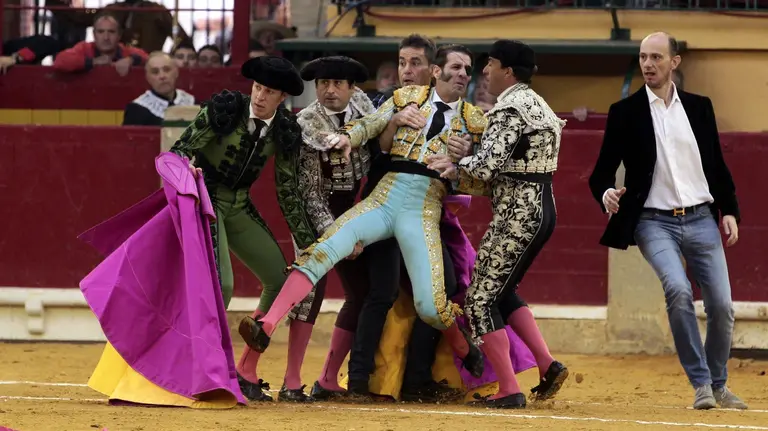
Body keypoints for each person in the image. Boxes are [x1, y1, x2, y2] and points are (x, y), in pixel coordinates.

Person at [238, 44, 489, 382]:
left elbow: (488, 176)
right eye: (456, 67)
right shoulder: (406, 97)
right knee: (323, 249)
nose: (462, 75)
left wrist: (464, 160)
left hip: (423, 206)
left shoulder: (476, 121)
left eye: (467, 70)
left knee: (430, 306)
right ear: (437, 71)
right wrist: (347, 138)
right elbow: (369, 124)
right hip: (385, 197)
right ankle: (266, 326)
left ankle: (464, 346)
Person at [587, 32, 746, 410]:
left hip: (702, 218)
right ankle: (702, 383)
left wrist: (731, 212)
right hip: (652, 222)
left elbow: (716, 167)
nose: (647, 64)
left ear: (674, 62)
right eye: (643, 57)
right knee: (677, 289)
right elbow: (600, 175)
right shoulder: (624, 113)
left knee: (722, 306)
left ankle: (718, 382)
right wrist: (607, 193)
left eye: (657, 57)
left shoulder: (699, 108)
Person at [428, 39, 568, 408]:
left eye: (489, 63)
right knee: (500, 291)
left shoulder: (509, 109)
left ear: (507, 70)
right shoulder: (536, 104)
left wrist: (455, 167)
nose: (484, 71)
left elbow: (488, 168)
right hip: (540, 208)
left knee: (479, 299)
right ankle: (547, 364)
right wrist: (468, 161)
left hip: (518, 215)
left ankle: (508, 389)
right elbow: (506, 165)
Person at [169, 55, 315, 403]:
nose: (260, 96)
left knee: (279, 280)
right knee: (223, 284)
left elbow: (288, 191)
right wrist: (188, 171)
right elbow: (179, 152)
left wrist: (309, 243)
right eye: (258, 88)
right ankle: (205, 369)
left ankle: (244, 370)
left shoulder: (285, 130)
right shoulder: (226, 109)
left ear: (283, 99)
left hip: (239, 206)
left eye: (269, 92)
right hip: (206, 202)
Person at [276, 56, 375, 402]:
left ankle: (329, 378)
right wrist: (340, 237)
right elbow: (310, 192)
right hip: (315, 212)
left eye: (337, 84)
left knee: (363, 292)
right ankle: (290, 381)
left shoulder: (363, 113)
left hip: (355, 208)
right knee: (308, 293)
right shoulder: (306, 122)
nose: (329, 91)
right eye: (322, 84)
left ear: (352, 88)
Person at [123, 52, 196, 126]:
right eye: (155, 72)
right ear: (148, 78)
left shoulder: (193, 102)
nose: (162, 76)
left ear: (176, 72)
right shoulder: (136, 110)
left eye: (166, 70)